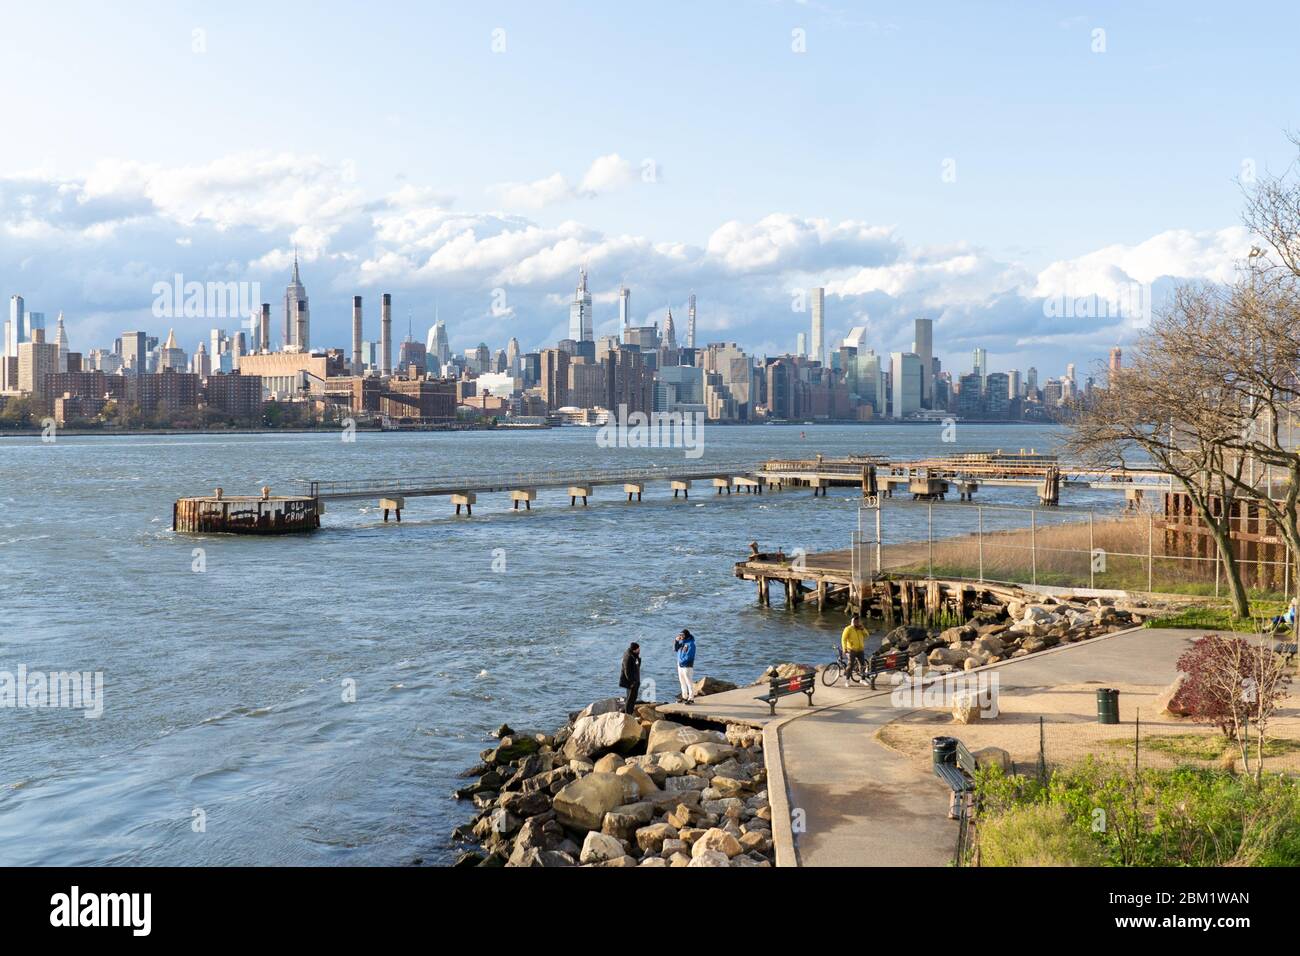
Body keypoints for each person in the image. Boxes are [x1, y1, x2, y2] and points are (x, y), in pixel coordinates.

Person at [841, 613, 867, 683]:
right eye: (855, 621)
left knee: (863, 665)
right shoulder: (848, 629)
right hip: (852, 650)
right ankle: (847, 680)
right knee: (850, 665)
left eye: (858, 621)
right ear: (852, 622)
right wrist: (844, 649)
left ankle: (862, 679)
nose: (857, 622)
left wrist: (863, 629)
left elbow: (867, 635)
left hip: (860, 650)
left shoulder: (860, 628)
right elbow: (843, 639)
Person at [674, 629, 697, 704]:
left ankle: (691, 698)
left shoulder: (691, 644)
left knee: (688, 682)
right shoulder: (682, 643)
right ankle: (684, 697)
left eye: (682, 635)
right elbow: (675, 649)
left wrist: (681, 661)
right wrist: (676, 641)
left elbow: (689, 656)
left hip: (687, 666)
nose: (681, 636)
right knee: (682, 682)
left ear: (686, 635)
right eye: (680, 635)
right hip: (680, 665)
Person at [618, 642, 641, 715]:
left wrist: (638, 657)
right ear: (634, 649)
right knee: (630, 698)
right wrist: (632, 682)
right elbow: (626, 671)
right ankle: (627, 714)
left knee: (633, 698)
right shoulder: (628, 657)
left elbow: (637, 666)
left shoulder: (634, 655)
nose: (639, 650)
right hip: (631, 682)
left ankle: (630, 712)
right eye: (638, 649)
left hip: (635, 680)